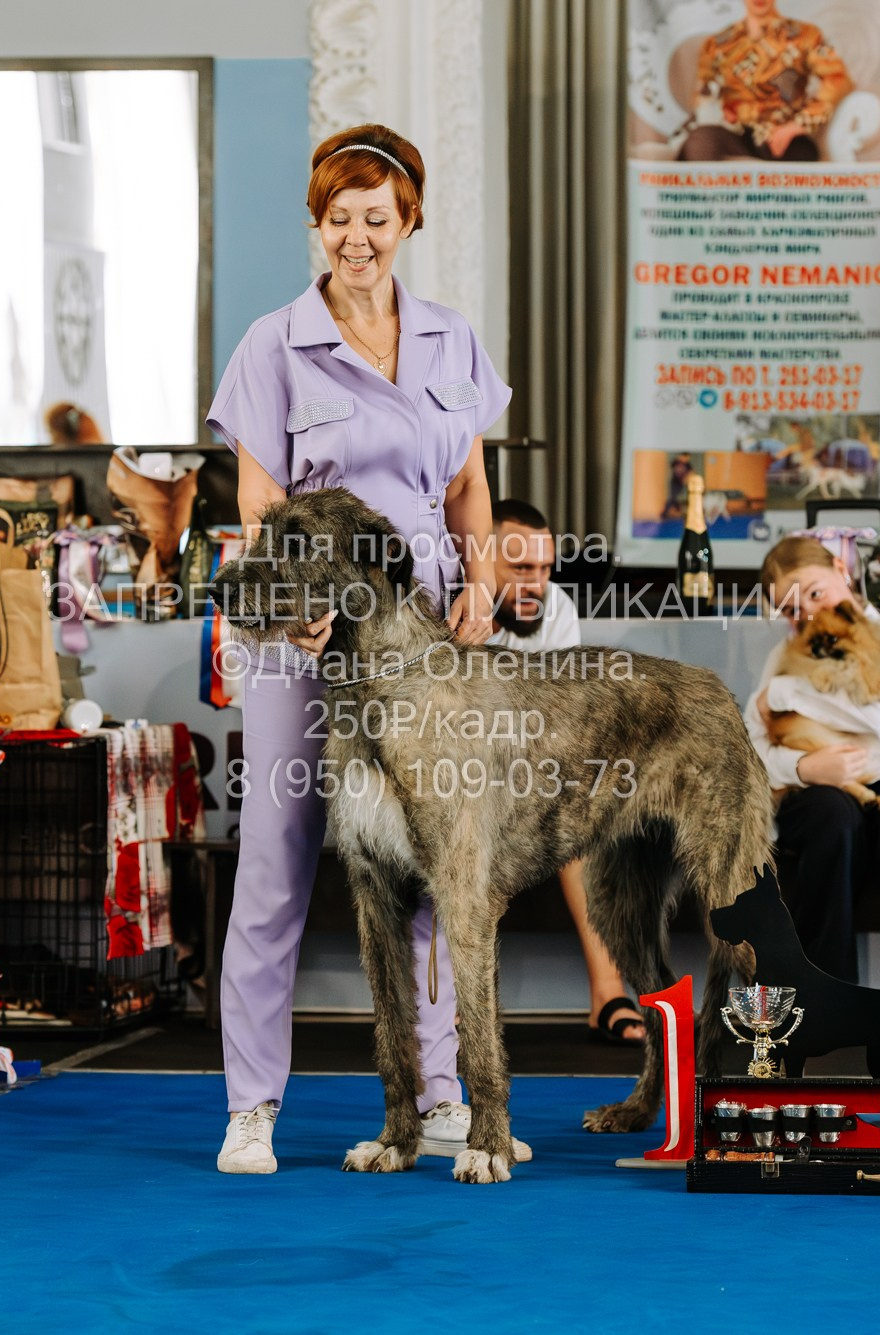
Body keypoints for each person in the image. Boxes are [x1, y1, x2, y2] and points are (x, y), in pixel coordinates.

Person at [205, 124, 513, 1174]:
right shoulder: (274, 344)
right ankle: (252, 1106)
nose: (356, 237)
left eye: (376, 218)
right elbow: (260, 503)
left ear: (408, 221)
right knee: (277, 858)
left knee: (431, 859)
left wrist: (480, 583)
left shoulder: (450, 340)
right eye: (338, 218)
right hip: (305, 638)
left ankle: (437, 1092)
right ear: (318, 224)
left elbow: (467, 486)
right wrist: (298, 608)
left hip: (418, 642)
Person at [483, 498, 644, 1045]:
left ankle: (608, 994)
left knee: (581, 811)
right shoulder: (445, 606)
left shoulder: (555, 607)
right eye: (521, 568)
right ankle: (454, 1010)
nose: (537, 583)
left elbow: (559, 721)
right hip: (452, 783)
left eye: (545, 568)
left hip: (523, 777)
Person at [741, 535, 880, 983]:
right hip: (814, 784)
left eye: (815, 593)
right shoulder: (783, 653)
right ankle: (825, 997)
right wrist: (802, 768)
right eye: (791, 609)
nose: (808, 614)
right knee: (830, 817)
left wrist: (783, 692)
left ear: (841, 569)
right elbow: (753, 745)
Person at [679, 0, 850, 164]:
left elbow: (838, 80)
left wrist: (797, 125)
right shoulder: (717, 44)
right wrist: (718, 110)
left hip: (784, 139)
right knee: (700, 141)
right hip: (736, 135)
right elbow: (703, 94)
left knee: (801, 155)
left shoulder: (805, 35)